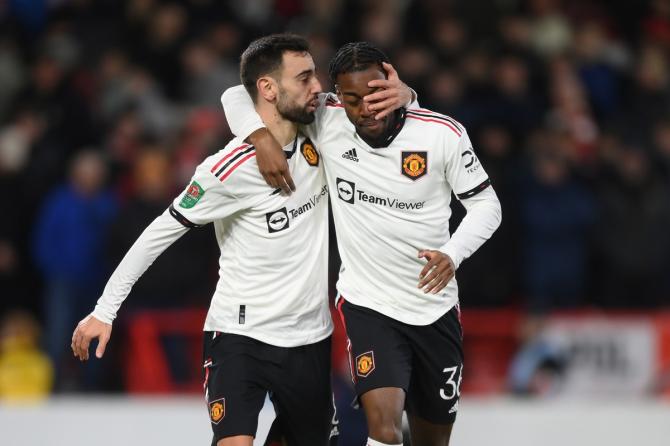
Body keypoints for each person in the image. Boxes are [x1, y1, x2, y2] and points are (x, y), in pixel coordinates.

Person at [71, 34, 411, 446]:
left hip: (310, 339)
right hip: (239, 337)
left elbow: (240, 93)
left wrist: (407, 93)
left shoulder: (322, 125)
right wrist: (104, 310)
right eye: (304, 78)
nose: (318, 87)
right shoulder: (227, 169)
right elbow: (158, 233)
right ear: (269, 89)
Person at [221, 41, 502, 446]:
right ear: (335, 95)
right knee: (383, 427)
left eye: (374, 96)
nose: (364, 109)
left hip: (433, 308)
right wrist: (260, 136)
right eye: (350, 99)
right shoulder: (327, 118)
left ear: (391, 80)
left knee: (432, 440)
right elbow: (235, 94)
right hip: (368, 304)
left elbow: (487, 205)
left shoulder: (442, 134)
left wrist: (453, 254)